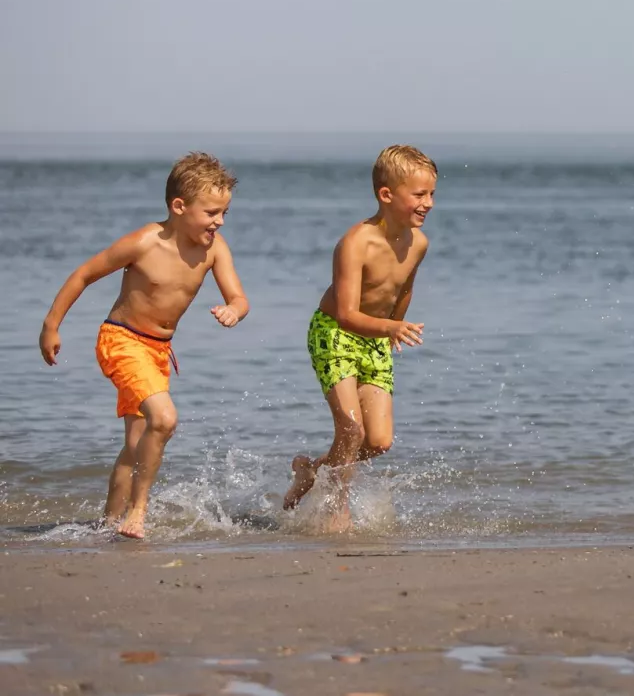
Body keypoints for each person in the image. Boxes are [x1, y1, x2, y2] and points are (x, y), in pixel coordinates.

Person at [37, 152, 249, 539]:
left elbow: (239, 297)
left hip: (157, 351)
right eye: (211, 213)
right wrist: (51, 325)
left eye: (224, 214)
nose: (218, 222)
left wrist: (235, 310)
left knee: (135, 446)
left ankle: (108, 523)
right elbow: (84, 274)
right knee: (164, 419)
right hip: (120, 340)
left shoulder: (214, 250)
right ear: (179, 206)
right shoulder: (144, 242)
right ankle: (138, 511)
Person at [281, 144, 436, 530]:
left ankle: (311, 472)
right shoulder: (356, 243)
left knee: (379, 441)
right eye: (419, 194)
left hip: (377, 339)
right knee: (351, 430)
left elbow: (403, 288)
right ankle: (338, 509)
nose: (429, 203)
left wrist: (393, 327)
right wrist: (391, 327)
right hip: (335, 334)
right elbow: (348, 314)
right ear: (387, 195)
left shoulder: (419, 243)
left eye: (432, 193)